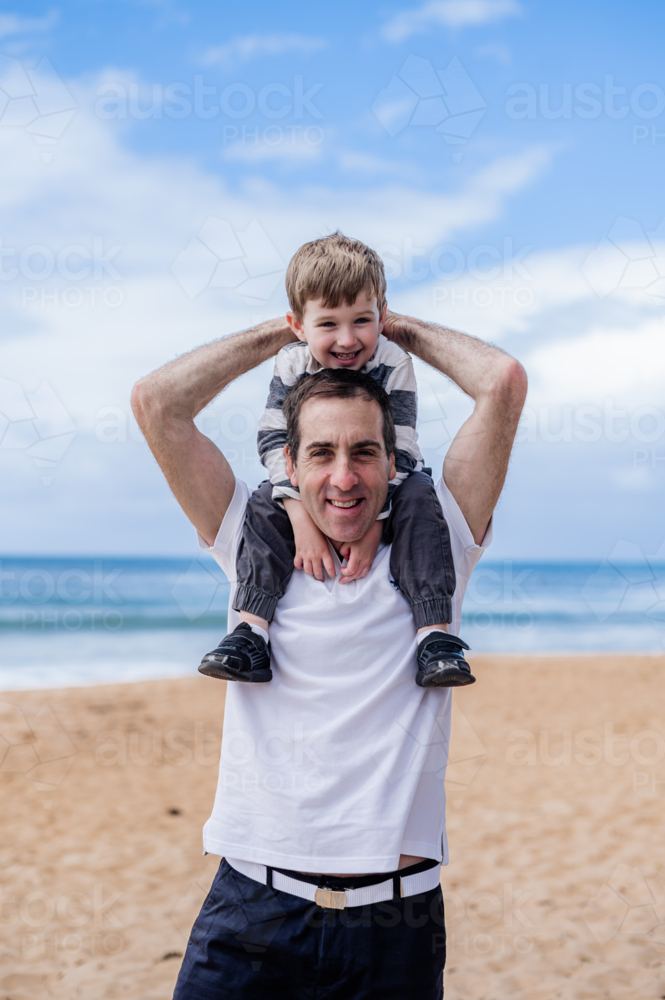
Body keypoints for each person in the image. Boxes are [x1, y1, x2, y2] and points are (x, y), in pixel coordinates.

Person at [131, 307, 526, 999]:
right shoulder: (246, 541)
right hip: (250, 911)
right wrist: (288, 331)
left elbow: (501, 381)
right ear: (289, 463)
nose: (343, 477)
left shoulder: (440, 550)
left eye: (364, 452)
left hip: (394, 924)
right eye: (321, 453)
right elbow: (157, 403)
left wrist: (390, 328)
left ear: (394, 460)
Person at [198, 232, 472, 690]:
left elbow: (400, 451)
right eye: (328, 324)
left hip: (392, 481)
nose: (347, 340)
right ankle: (251, 630)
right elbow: (272, 442)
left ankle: (434, 636)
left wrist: (376, 527)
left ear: (382, 317)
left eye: (362, 320)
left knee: (423, 500)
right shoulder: (291, 363)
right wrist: (298, 514)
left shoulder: (393, 362)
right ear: (297, 325)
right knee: (262, 503)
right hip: (300, 488)